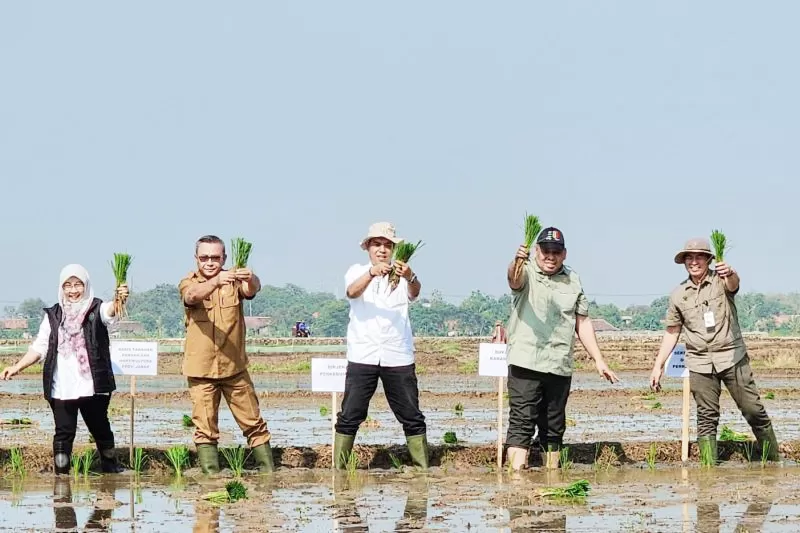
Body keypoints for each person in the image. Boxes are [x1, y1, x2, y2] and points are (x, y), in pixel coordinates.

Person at [649, 237, 779, 463]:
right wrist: (658, 366)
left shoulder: (721, 280)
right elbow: (672, 331)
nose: (694, 262)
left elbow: (734, 284)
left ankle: (774, 460)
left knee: (753, 410)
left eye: (699, 256)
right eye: (689, 257)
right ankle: (708, 470)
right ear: (684, 262)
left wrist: (729, 272)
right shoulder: (679, 294)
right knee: (706, 417)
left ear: (709, 259)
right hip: (699, 362)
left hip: (731, 357)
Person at [504, 227, 619, 470]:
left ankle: (552, 479)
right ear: (537, 251)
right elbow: (513, 280)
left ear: (564, 254)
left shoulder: (573, 279)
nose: (550, 256)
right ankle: (516, 483)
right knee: (521, 423)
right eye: (545, 251)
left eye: (556, 252)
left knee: (554, 426)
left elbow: (583, 321)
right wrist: (516, 260)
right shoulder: (525, 272)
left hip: (559, 363)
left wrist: (599, 359)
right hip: (526, 362)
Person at [1, 264, 127, 475]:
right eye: (68, 285)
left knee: (101, 429)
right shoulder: (54, 315)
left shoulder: (96, 308)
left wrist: (120, 299)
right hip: (62, 385)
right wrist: (17, 367)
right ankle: (61, 478)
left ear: (86, 285)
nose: (73, 290)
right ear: (61, 288)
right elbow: (39, 347)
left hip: (92, 384)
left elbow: (111, 312)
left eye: (78, 284)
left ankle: (110, 470)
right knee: (63, 433)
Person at [333, 222, 428, 470]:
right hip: (363, 354)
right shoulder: (357, 270)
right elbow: (351, 292)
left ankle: (421, 468)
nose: (382, 250)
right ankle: (339, 469)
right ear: (368, 248)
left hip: (397, 355)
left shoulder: (404, 273)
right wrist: (372, 273)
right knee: (350, 414)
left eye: (388, 245)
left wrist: (410, 275)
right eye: (377, 244)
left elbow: (415, 292)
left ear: (395, 248)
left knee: (411, 414)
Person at [179, 234, 274, 474]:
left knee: (254, 423)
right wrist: (216, 282)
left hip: (234, 369)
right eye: (204, 258)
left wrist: (250, 277)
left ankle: (267, 474)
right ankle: (211, 477)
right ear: (196, 259)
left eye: (215, 257)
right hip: (201, 370)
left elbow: (253, 290)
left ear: (224, 258)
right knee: (205, 428)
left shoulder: (234, 280)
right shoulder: (189, 282)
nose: (210, 262)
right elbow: (191, 296)